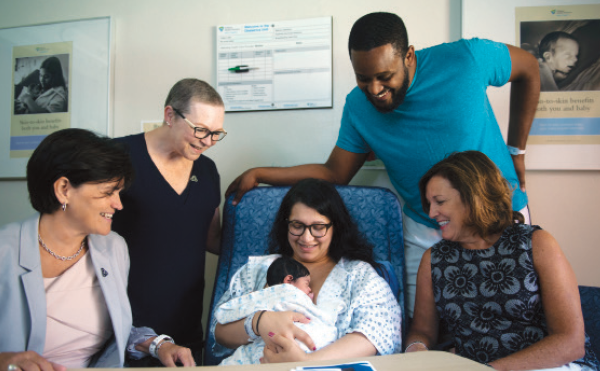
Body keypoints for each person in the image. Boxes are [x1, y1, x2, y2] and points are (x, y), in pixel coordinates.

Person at [225, 12, 540, 317]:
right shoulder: (358, 107)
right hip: (425, 227)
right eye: (364, 79)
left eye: (384, 77)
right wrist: (260, 173)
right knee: (424, 327)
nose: (374, 90)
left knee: (515, 314)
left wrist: (518, 150)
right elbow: (335, 173)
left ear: (409, 57)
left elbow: (529, 67)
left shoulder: (467, 59)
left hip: (497, 215)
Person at [0, 129, 195, 371]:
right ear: (64, 189)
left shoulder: (113, 247)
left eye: (119, 192)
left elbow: (115, 330)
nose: (118, 204)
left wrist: (157, 344)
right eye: (108, 192)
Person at [404, 151, 599, 371]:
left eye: (439, 201)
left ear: (473, 197)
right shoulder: (434, 260)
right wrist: (416, 347)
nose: (431, 213)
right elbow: (423, 331)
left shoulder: (535, 244)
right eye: (429, 204)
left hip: (550, 366)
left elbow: (571, 343)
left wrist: (490, 369)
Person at [213, 178, 401, 364]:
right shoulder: (257, 270)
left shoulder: (359, 275)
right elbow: (219, 330)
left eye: (318, 227)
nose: (306, 237)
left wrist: (306, 362)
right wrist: (258, 322)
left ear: (335, 227)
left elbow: (378, 333)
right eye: (297, 225)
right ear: (285, 224)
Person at [111, 78, 226, 366]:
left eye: (216, 133)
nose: (208, 141)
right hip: (126, 329)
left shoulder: (208, 171)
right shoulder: (117, 157)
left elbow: (212, 239)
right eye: (200, 129)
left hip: (185, 330)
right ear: (169, 115)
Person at [214, 256, 339, 365]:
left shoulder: (264, 295)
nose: (310, 290)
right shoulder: (275, 292)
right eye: (307, 284)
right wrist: (259, 321)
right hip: (278, 346)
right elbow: (221, 319)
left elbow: (229, 311)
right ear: (289, 280)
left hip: (289, 352)